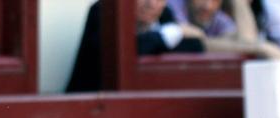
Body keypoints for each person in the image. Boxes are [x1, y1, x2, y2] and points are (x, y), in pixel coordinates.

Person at [67, 0, 205, 93]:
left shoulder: (164, 14)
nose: (151, 3)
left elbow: (195, 45)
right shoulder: (104, 10)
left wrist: (160, 39)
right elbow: (119, 53)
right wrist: (167, 36)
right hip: (90, 106)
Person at [167, 0, 280, 57]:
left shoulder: (218, 19)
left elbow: (246, 40)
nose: (207, 5)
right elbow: (192, 44)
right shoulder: (172, 6)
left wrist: (239, 2)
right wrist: (260, 47)